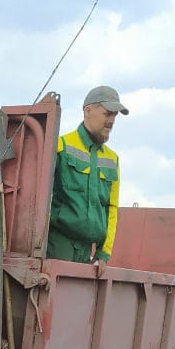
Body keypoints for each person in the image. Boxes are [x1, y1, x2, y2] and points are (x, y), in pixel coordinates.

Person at [47, 85, 129, 264]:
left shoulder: (112, 159)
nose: (111, 120)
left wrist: (103, 254)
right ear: (88, 110)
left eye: (115, 116)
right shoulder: (61, 146)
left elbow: (112, 208)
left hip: (88, 254)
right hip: (57, 247)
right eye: (108, 113)